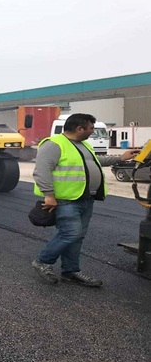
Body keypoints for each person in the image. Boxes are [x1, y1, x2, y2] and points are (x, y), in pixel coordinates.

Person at [31, 113, 140, 287]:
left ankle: (71, 271)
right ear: (79, 128)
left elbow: (96, 161)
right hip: (66, 199)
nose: (92, 132)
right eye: (90, 128)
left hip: (85, 198)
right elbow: (41, 170)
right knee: (70, 234)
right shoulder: (54, 144)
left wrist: (121, 157)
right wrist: (49, 195)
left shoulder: (83, 145)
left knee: (78, 236)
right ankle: (43, 261)